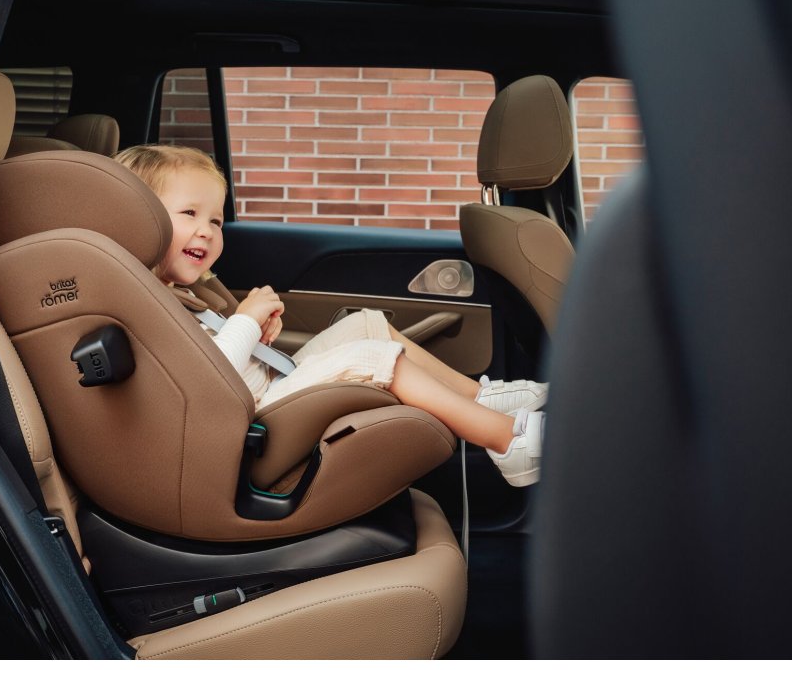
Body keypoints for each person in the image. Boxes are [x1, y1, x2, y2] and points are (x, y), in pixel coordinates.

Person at [114, 144, 547, 487]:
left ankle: (482, 398)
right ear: (138, 219)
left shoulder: (174, 292)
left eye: (216, 220)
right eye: (189, 214)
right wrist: (243, 322)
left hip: (263, 390)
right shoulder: (136, 303)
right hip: (247, 420)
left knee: (366, 323)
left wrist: (255, 335)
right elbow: (201, 383)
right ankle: (507, 440)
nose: (207, 231)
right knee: (373, 357)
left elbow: (214, 356)